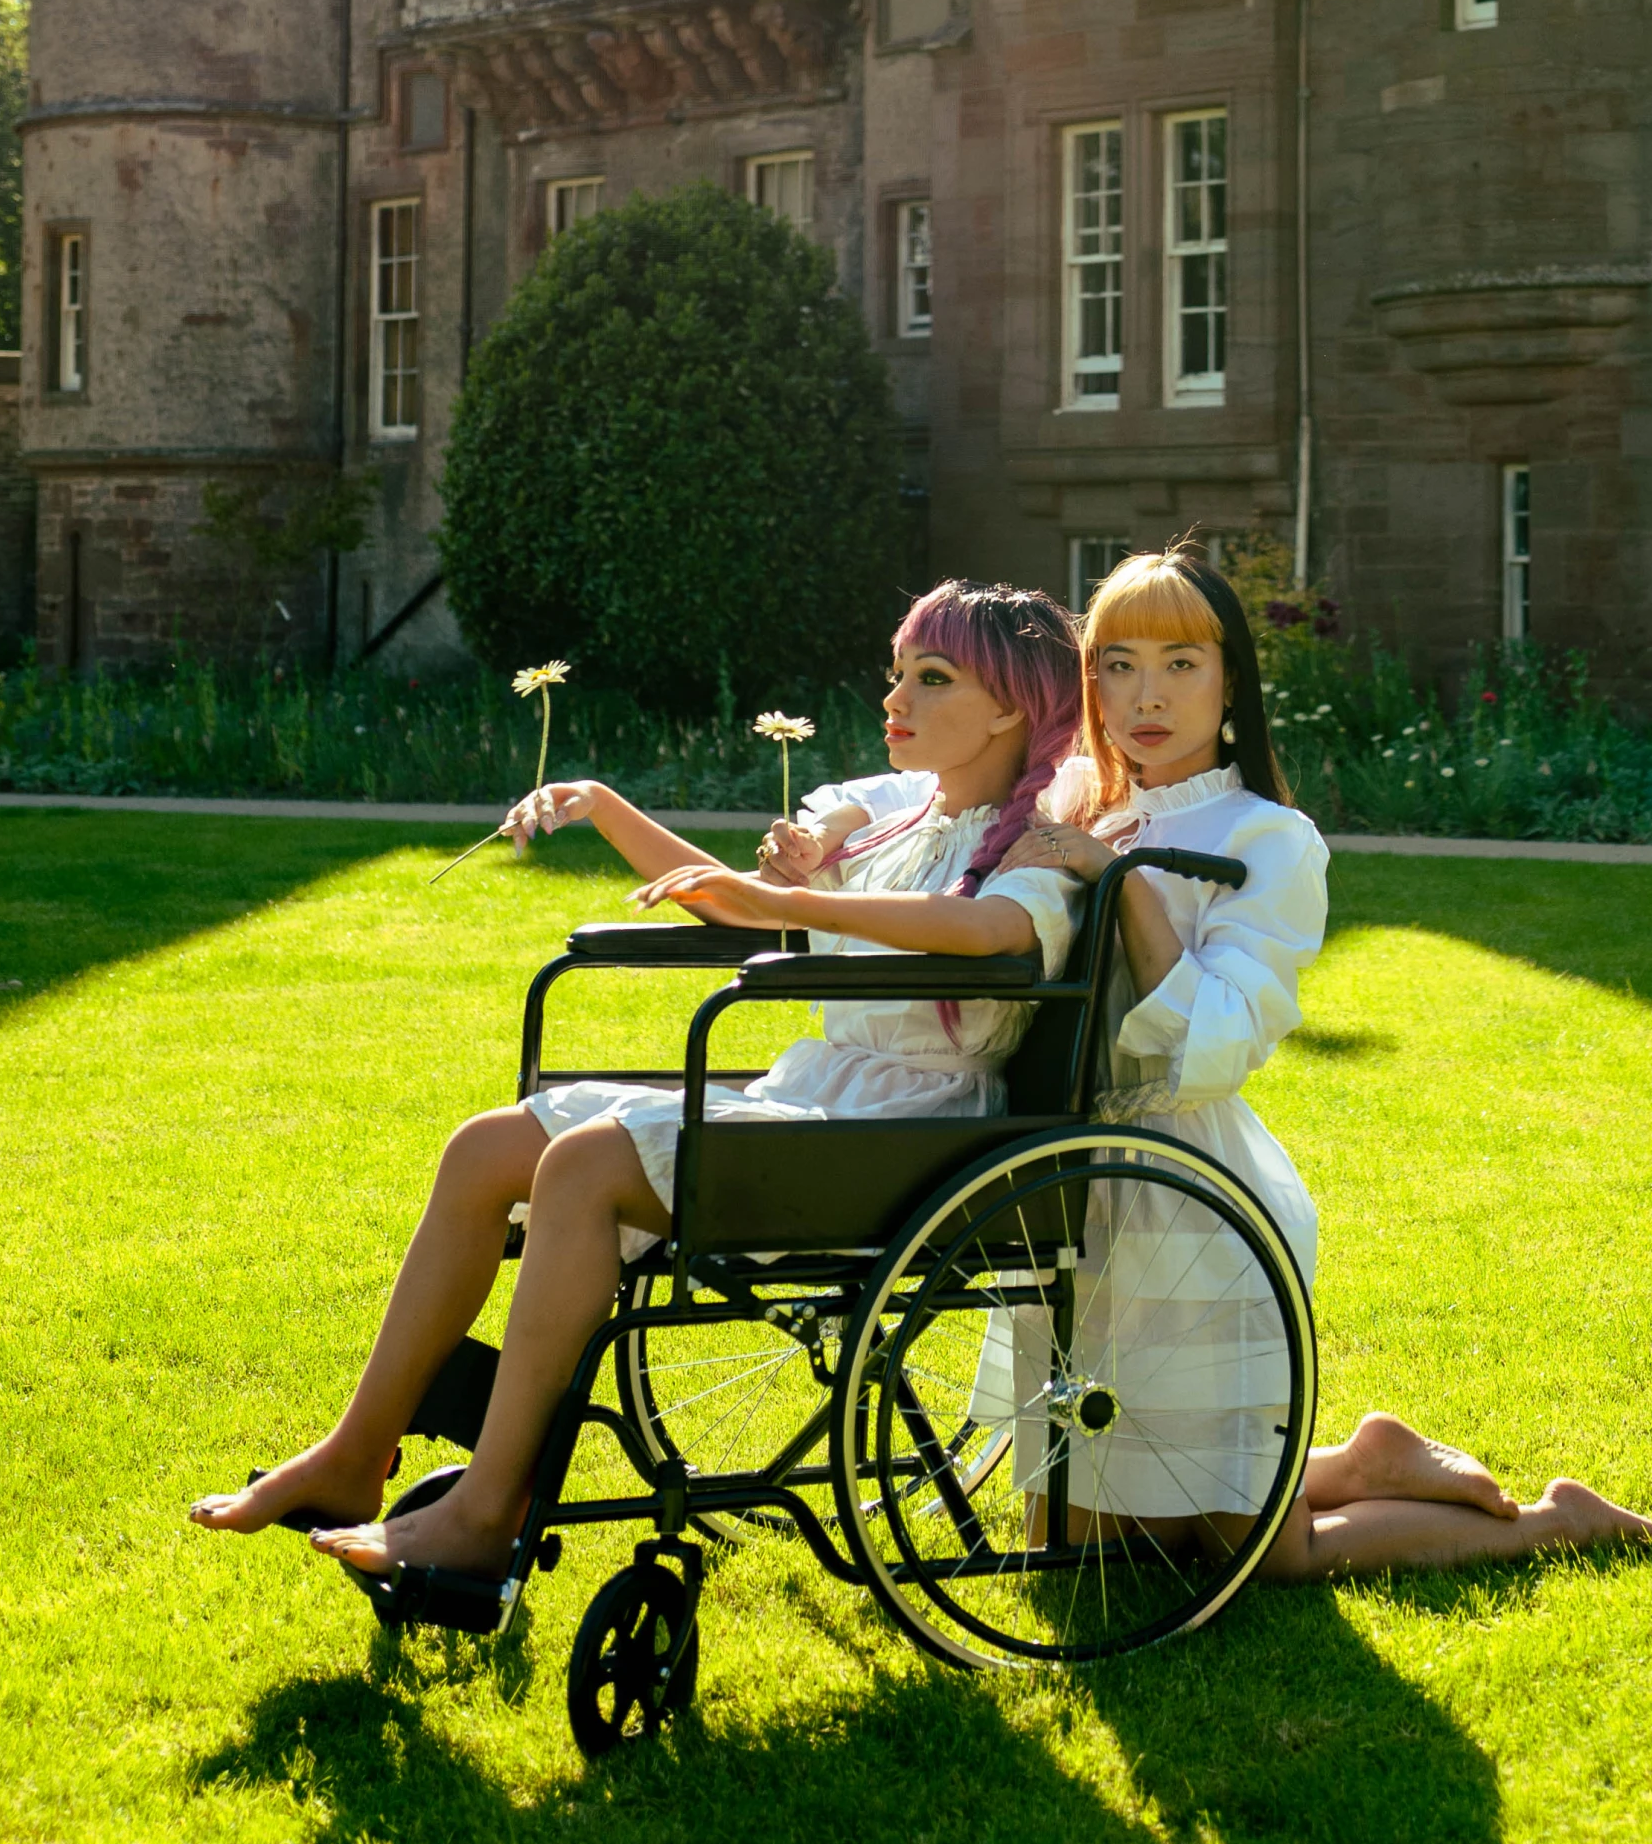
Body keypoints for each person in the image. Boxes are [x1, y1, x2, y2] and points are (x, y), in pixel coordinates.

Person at [189, 581, 1089, 1581]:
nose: (894, 697)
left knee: (584, 1164)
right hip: (818, 1099)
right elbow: (732, 905)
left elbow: (985, 932)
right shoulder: (896, 824)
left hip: (908, 1129)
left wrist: (787, 898)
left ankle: (486, 1510)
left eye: (931, 678)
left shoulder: (1035, 844)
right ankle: (356, 1451)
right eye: (895, 674)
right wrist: (606, 805)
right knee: (485, 1146)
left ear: (1010, 706)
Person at [985, 541, 1652, 1579]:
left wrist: (1125, 883)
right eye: (1116, 663)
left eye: (1180, 662)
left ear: (1230, 685)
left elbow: (1218, 1039)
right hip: (1069, 1179)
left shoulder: (1269, 837)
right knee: (1074, 1546)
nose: (1144, 694)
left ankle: (1548, 1522)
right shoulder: (1072, 797)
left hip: (1188, 1193)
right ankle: (1359, 1456)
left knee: (1251, 1556)